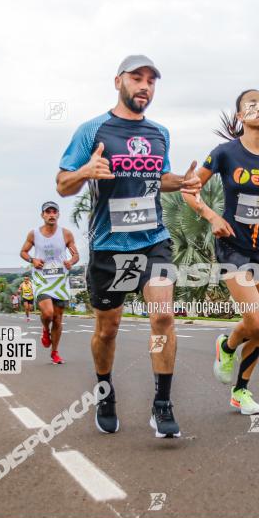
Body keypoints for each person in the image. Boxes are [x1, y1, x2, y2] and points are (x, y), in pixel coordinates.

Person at [55, 55, 201, 438]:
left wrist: (182, 182)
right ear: (118, 81)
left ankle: (162, 403)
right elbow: (62, 183)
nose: (145, 87)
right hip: (110, 246)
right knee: (108, 329)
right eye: (137, 78)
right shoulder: (93, 129)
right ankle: (105, 391)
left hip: (153, 240)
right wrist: (87, 171)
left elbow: (158, 177)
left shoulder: (160, 133)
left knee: (163, 317)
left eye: (151, 81)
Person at [185, 89, 259, 415]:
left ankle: (240, 390)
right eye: (252, 104)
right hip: (233, 245)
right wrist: (211, 216)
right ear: (239, 116)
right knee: (256, 319)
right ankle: (228, 345)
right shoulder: (224, 153)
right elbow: (188, 192)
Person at [19, 201, 80, 364]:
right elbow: (23, 252)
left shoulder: (66, 234)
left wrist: (71, 262)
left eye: (54, 212)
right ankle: (45, 329)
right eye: (48, 212)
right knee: (48, 314)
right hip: (42, 279)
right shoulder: (34, 234)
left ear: (58, 215)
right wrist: (33, 260)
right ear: (43, 215)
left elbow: (76, 255)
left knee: (58, 320)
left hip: (60, 280)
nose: (51, 214)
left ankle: (55, 352)